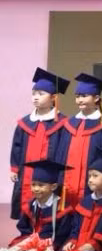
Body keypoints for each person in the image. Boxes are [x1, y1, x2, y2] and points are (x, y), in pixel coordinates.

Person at [10, 68, 69, 220]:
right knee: (26, 202)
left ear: (54, 97)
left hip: (50, 175)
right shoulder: (24, 123)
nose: (36, 97)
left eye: (41, 94)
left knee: (49, 207)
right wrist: (14, 169)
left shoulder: (62, 123)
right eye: (34, 94)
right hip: (26, 173)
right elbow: (17, 146)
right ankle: (26, 232)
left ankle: (46, 232)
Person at [55, 73, 102, 207]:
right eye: (77, 96)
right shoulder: (69, 124)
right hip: (66, 183)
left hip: (88, 182)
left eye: (84, 96)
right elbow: (61, 154)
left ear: (96, 98)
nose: (80, 100)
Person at [61, 149, 102, 251]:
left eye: (95, 176)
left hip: (101, 249)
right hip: (80, 243)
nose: (90, 180)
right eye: (89, 176)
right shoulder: (85, 201)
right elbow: (75, 226)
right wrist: (72, 240)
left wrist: (94, 245)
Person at [9, 160, 73, 251]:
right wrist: (29, 240)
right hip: (32, 240)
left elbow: (63, 233)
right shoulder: (31, 205)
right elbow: (24, 228)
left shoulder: (62, 208)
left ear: (53, 187)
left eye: (41, 185)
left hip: (52, 242)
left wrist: (48, 243)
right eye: (33, 185)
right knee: (14, 248)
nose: (36, 189)